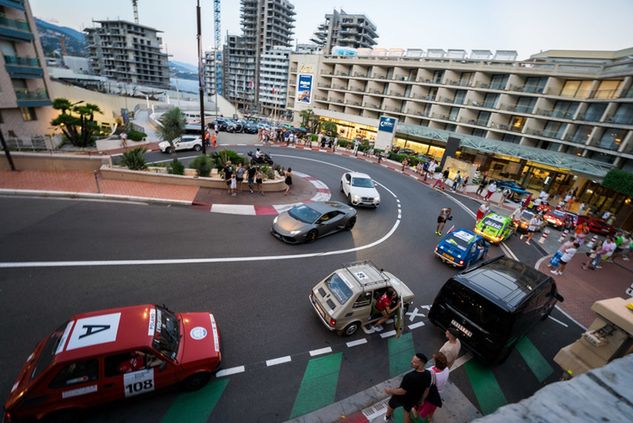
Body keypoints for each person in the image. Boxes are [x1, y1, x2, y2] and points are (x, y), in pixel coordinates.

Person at [383, 353, 431, 423]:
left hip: (402, 397)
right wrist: (422, 400)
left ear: (420, 364)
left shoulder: (409, 376)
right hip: (414, 399)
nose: (411, 362)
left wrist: (390, 390)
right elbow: (427, 389)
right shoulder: (428, 374)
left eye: (414, 362)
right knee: (407, 412)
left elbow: (402, 391)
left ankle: (387, 417)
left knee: (391, 404)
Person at [416, 352, 450, 421]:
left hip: (429, 394)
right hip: (438, 394)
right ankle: (430, 418)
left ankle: (416, 414)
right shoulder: (447, 369)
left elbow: (424, 386)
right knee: (432, 407)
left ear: (436, 363)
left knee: (421, 405)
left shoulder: (430, 372)